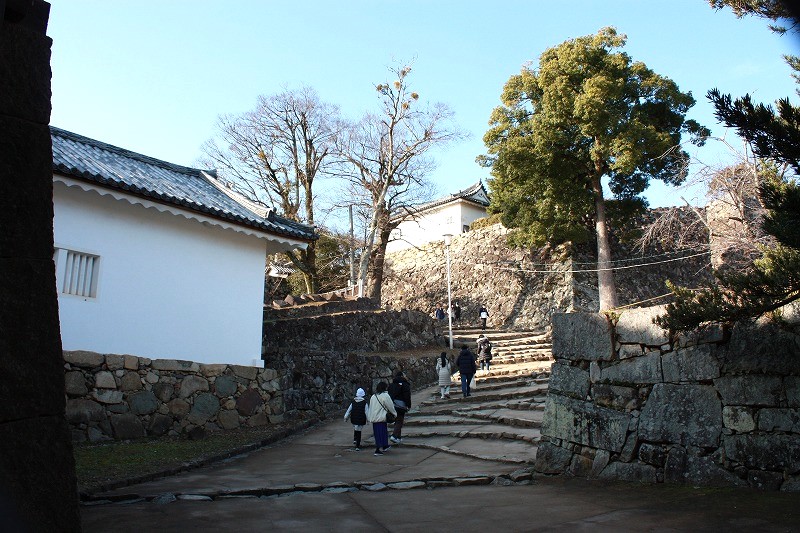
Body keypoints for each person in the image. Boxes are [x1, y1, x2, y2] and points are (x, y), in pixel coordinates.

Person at [367, 381, 396, 456]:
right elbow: (390, 406)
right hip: (381, 417)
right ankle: (378, 449)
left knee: (378, 433)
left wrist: (369, 417)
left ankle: (384, 445)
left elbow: (371, 407)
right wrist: (394, 413)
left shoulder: (373, 396)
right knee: (382, 433)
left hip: (374, 418)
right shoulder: (385, 396)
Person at [388, 370, 411, 444]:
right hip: (401, 405)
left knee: (397, 420)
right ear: (402, 376)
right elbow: (407, 396)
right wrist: (408, 405)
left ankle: (398, 437)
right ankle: (394, 436)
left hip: (392, 404)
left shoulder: (392, 385)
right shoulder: (405, 384)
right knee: (399, 420)